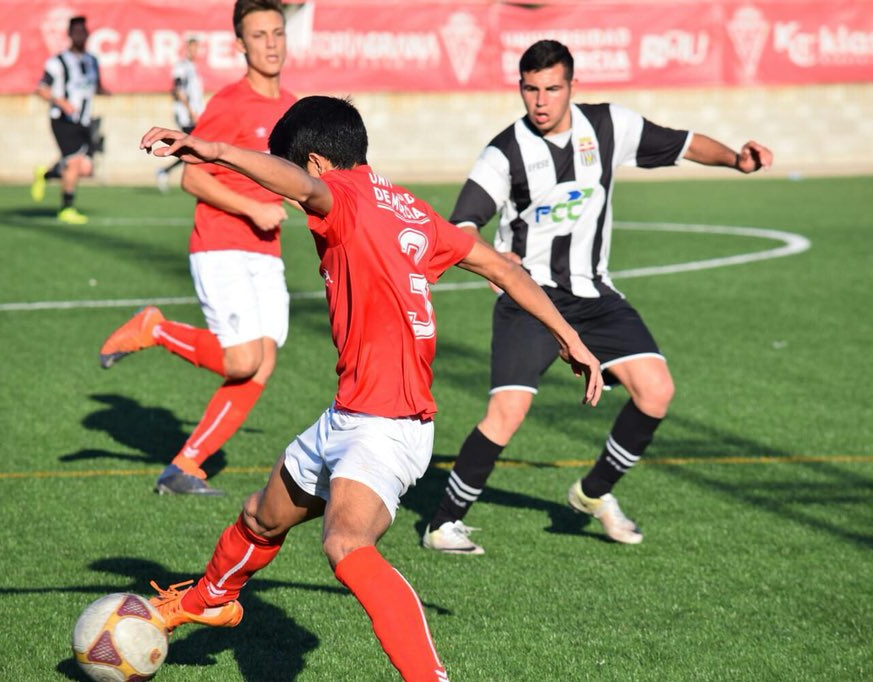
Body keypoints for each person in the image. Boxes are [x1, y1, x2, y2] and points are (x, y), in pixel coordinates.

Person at [138, 95, 602, 681]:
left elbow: (304, 189)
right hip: (349, 414)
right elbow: (504, 269)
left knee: (346, 543)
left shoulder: (346, 197)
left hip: (389, 423)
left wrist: (214, 150)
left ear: (316, 163)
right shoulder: (407, 207)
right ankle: (212, 598)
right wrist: (569, 336)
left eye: (296, 173)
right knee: (260, 517)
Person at [421, 39, 774, 553]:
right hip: (531, 302)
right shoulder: (505, 151)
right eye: (530, 89)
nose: (540, 100)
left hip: (594, 294)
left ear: (572, 87)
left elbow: (681, 143)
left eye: (552, 88)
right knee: (508, 413)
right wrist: (494, 262)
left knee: (656, 391)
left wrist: (734, 159)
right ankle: (442, 525)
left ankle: (592, 493)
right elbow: (463, 222)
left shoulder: (608, 126)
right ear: (520, 88)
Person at [98, 0, 295, 496]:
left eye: (277, 33)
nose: (270, 44)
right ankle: (156, 328)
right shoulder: (228, 103)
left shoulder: (293, 107)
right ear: (240, 45)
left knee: (264, 360)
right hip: (221, 243)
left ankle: (184, 465)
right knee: (242, 361)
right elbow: (192, 178)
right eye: (259, 35)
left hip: (266, 250)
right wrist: (252, 209)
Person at [31, 15, 109, 225]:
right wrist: (61, 102)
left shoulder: (92, 61)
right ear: (69, 35)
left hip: (84, 121)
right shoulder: (58, 62)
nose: (80, 35)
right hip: (63, 119)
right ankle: (66, 208)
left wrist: (106, 92)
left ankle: (47, 173)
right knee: (74, 163)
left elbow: (96, 86)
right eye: (76, 31)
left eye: (83, 31)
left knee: (87, 168)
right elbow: (40, 89)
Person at [156, 36, 204, 193]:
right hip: (186, 115)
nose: (194, 51)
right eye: (192, 48)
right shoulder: (182, 67)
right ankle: (172, 173)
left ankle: (165, 171)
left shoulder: (193, 67)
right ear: (187, 49)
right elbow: (177, 90)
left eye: (197, 48)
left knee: (190, 147)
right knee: (193, 147)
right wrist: (191, 111)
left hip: (193, 113)